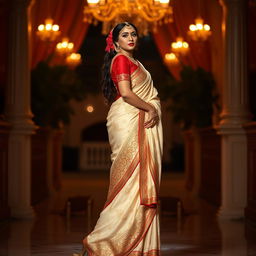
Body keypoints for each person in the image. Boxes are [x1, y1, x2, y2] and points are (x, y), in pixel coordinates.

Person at [75, 21, 163, 256]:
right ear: (115, 42)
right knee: (127, 184)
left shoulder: (136, 62)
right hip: (128, 121)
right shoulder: (121, 60)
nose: (131, 38)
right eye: (125, 35)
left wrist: (149, 109)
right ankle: (103, 242)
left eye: (134, 34)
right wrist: (151, 108)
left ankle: (136, 245)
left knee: (136, 183)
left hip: (135, 118)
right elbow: (125, 93)